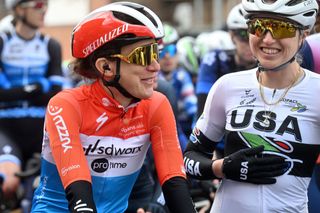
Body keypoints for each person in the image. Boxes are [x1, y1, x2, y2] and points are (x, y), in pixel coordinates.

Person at [31, 2, 196, 213]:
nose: (155, 66)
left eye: (156, 53)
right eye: (143, 55)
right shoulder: (66, 105)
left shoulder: (157, 105)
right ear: (106, 67)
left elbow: (174, 184)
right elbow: (79, 197)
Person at [184, 0, 320, 212]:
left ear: (303, 36)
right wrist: (222, 168)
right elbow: (189, 160)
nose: (267, 39)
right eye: (258, 26)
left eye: (281, 28)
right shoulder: (227, 86)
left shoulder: (317, 92)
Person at [0, 0, 65, 209]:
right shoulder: (2, 42)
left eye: (45, 4)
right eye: (38, 5)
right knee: (8, 183)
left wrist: (14, 91)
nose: (44, 10)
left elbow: (55, 95)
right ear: (19, 9)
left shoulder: (51, 45)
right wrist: (37, 87)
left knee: (43, 192)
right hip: (7, 127)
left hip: (42, 128)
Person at [196, 3, 257, 120]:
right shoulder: (214, 59)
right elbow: (203, 108)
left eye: (255, 33)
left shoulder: (268, 63)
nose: (250, 42)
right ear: (232, 36)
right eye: (244, 35)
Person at [159, 23, 197, 138]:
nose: (167, 56)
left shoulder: (182, 76)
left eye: (171, 50)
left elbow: (192, 107)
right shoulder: (151, 77)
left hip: (181, 127)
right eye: (161, 51)